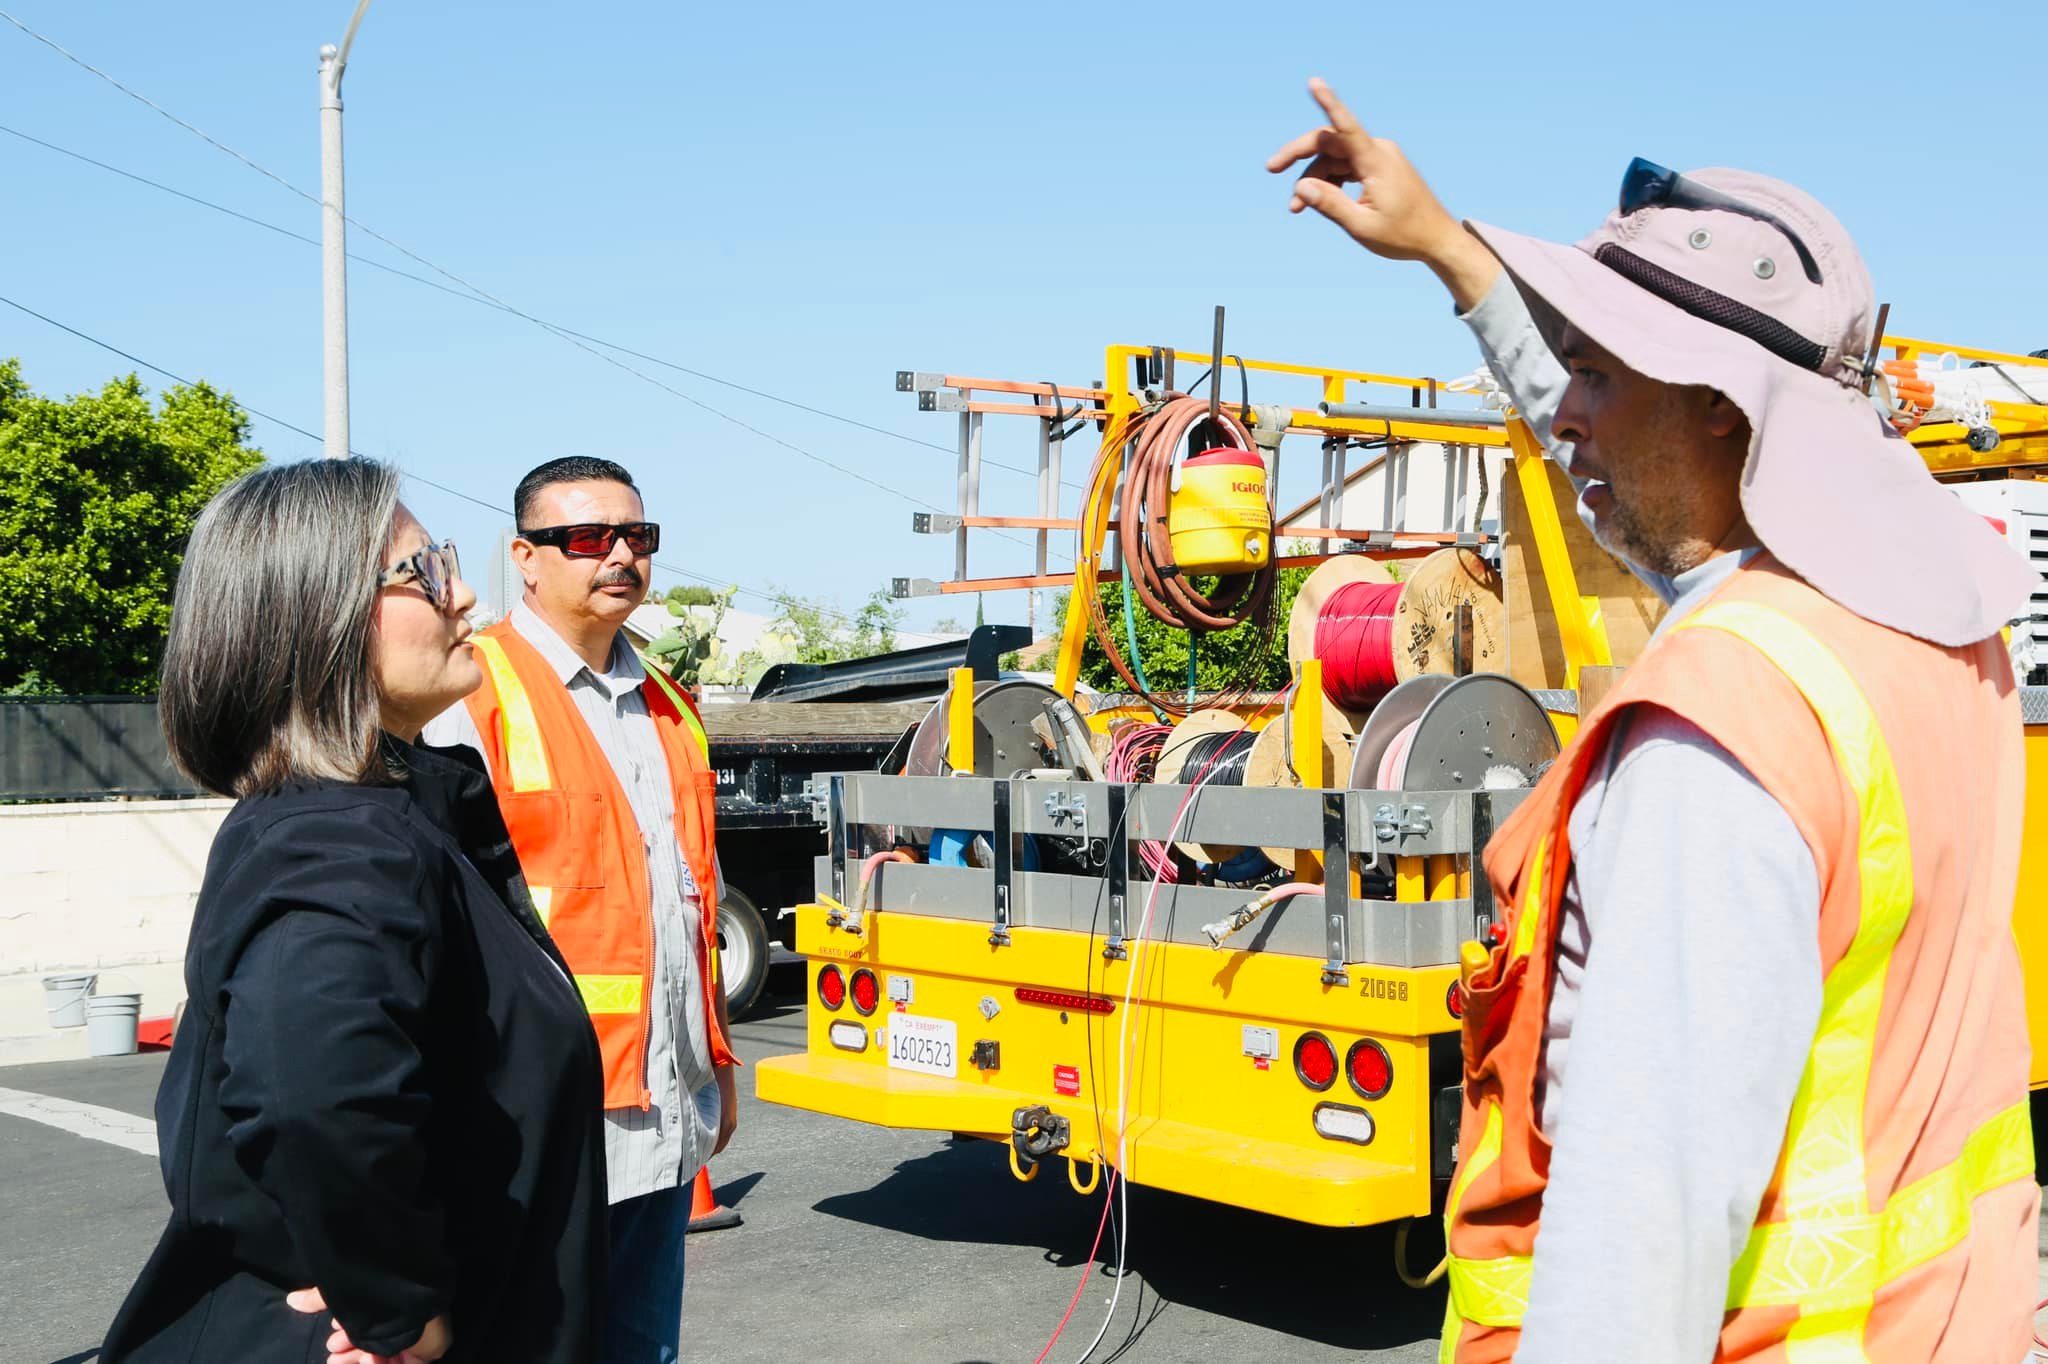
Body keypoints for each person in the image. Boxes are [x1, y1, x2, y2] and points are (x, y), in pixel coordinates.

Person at [1270, 79, 2040, 1362]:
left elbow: (1644, 1225)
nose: (1558, 410)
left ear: (1721, 409)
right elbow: (1618, 462)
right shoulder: (1941, 629)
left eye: (1594, 372)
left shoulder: (1715, 729)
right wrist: (1452, 251)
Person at [102, 458, 606, 1364]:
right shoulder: (336, 839)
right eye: (426, 572)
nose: (466, 602)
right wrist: (401, 1315)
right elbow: (313, 1097)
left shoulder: (387, 815)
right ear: (318, 619)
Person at [422, 456, 738, 1364]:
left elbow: (685, 904)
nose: (620, 556)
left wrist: (710, 1057)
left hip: (660, 1098)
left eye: (638, 537)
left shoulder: (668, 704)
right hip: (536, 1107)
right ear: (525, 556)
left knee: (643, 1349)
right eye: (589, 538)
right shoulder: (465, 691)